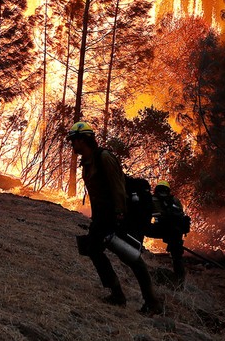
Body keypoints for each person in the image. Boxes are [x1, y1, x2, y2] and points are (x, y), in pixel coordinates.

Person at [68, 121, 163, 315]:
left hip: (117, 215)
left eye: (74, 140)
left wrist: (119, 214)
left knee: (132, 258)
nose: (72, 144)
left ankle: (152, 302)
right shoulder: (87, 162)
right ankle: (117, 294)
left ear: (83, 139)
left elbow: (117, 186)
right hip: (102, 217)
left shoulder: (104, 157)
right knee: (92, 248)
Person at [145, 181, 189, 284]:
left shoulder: (152, 200)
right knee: (177, 257)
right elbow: (181, 215)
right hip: (176, 232)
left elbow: (146, 215)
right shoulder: (175, 200)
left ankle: (137, 249)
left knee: (142, 229)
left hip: (162, 230)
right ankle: (180, 280)